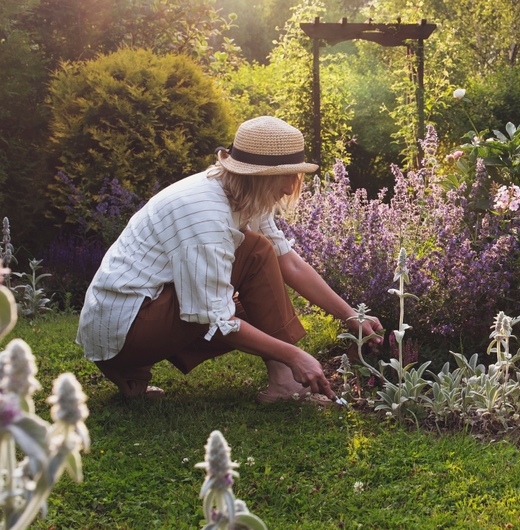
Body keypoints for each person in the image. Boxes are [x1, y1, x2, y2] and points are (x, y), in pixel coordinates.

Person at [76, 116, 382, 403]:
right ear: (257, 175)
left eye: (294, 175)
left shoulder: (244, 193)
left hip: (136, 319)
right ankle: (283, 377)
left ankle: (280, 378)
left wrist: (351, 315)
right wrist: (293, 356)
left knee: (259, 273)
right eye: (283, 176)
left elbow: (288, 263)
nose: (290, 187)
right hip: (126, 331)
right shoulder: (205, 213)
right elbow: (215, 317)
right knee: (253, 258)